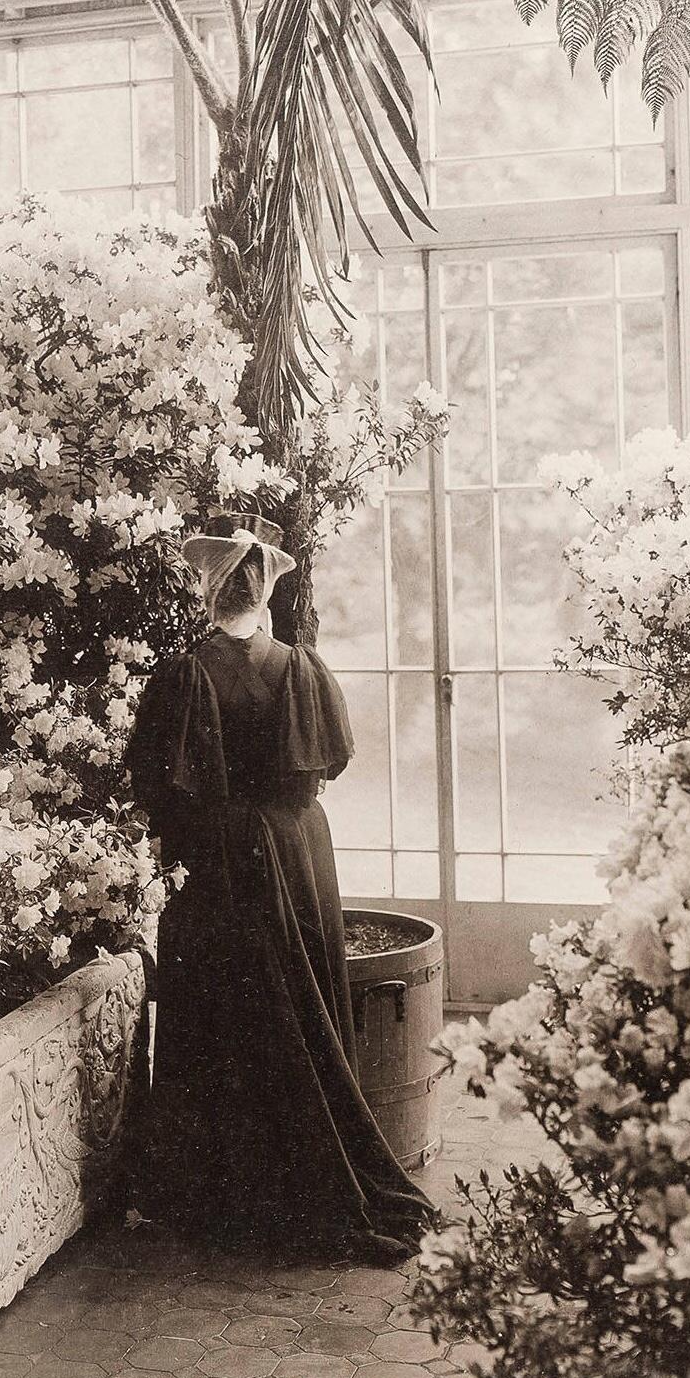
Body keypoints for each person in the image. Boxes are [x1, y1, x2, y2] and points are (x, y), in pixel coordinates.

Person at [126, 511, 433, 1263]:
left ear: (207, 592)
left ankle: (221, 1191)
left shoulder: (182, 675)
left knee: (223, 1009)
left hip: (215, 859)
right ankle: (297, 1183)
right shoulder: (301, 668)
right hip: (296, 853)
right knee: (296, 1002)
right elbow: (328, 764)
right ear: (264, 595)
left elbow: (153, 786)